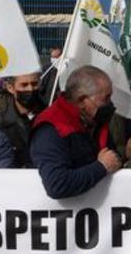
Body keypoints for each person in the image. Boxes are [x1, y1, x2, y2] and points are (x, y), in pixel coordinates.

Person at [31, 65, 122, 199]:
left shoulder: (95, 121)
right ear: (81, 101)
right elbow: (57, 184)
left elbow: (111, 158)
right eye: (105, 98)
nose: (110, 104)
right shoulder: (51, 128)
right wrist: (101, 167)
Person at [0, 71, 46, 167]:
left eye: (35, 84)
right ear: (10, 88)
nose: (30, 89)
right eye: (24, 85)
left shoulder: (54, 119)